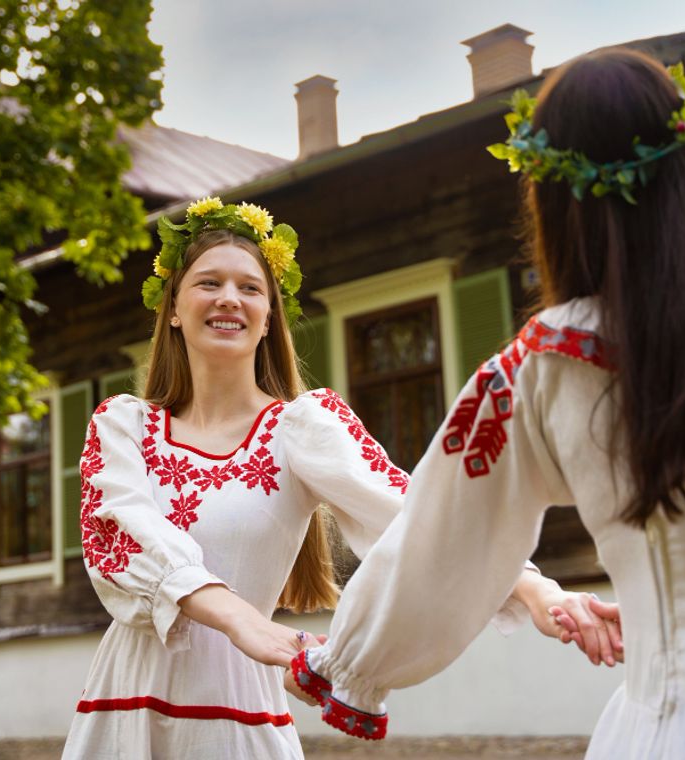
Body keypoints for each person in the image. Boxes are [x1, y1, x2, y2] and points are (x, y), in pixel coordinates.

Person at [289, 49, 685, 759]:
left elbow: (437, 539)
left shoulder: (536, 370)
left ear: (555, 201)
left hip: (646, 734)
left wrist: (347, 665)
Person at [61, 198, 619, 759]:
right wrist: (239, 621)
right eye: (209, 282)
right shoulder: (123, 426)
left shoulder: (300, 428)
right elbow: (122, 538)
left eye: (251, 288)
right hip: (122, 713)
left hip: (237, 719)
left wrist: (540, 592)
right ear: (174, 309)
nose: (230, 298)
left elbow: (420, 517)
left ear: (270, 316)